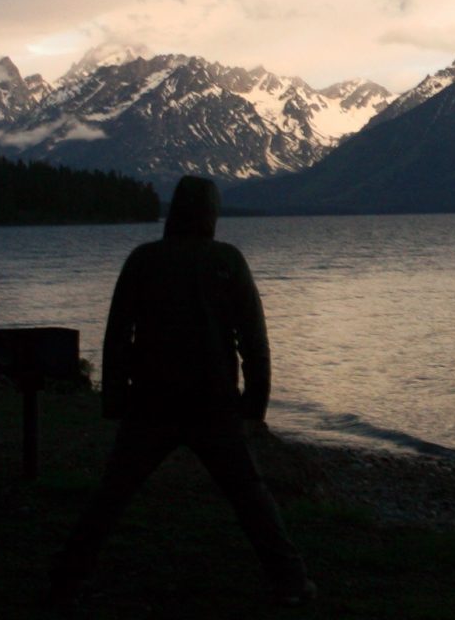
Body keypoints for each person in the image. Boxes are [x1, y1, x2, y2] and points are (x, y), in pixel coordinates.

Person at [50, 175, 314, 606]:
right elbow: (253, 339)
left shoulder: (144, 260)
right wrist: (255, 405)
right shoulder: (227, 260)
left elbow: (117, 335)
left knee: (113, 493)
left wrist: (114, 398)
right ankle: (291, 581)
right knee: (249, 493)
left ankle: (66, 579)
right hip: (214, 401)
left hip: (151, 399)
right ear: (211, 212)